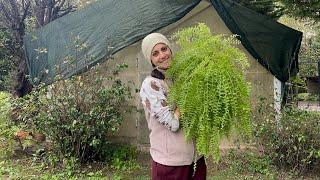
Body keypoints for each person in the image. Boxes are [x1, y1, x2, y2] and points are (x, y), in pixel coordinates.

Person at [139, 33, 207, 180]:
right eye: (155, 53)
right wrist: (186, 95)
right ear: (150, 59)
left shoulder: (182, 76)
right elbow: (173, 123)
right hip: (171, 164)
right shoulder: (151, 85)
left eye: (164, 49)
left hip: (196, 159)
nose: (162, 55)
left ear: (170, 49)